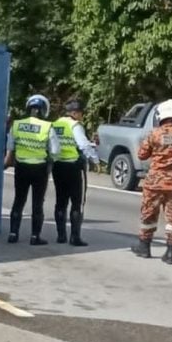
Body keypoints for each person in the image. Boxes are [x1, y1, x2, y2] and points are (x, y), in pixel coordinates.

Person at [131, 99, 172, 264]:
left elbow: (142, 155)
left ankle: (144, 246)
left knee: (149, 213)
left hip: (155, 182)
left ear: (162, 116)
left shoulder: (155, 134)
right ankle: (171, 252)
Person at [5, 94, 61, 245]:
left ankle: (13, 234)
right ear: (44, 110)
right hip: (40, 169)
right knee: (37, 203)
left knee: (18, 200)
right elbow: (55, 151)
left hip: (21, 168)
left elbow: (10, 147)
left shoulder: (16, 125)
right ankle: (35, 236)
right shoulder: (47, 127)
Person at [51, 98, 100, 246]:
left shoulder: (55, 124)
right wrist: (95, 160)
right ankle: (75, 237)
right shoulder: (75, 125)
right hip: (74, 167)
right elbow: (83, 144)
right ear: (75, 113)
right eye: (81, 113)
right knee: (77, 203)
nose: (82, 116)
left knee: (60, 202)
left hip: (58, 166)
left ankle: (61, 236)